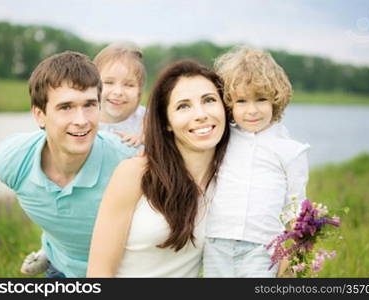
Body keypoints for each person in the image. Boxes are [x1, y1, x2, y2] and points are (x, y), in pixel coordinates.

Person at [0, 51, 137, 278]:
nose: (81, 120)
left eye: (90, 104)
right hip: (59, 269)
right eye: (66, 107)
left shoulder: (129, 161)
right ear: (40, 115)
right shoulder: (12, 161)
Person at [86, 60, 231, 277]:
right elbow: (99, 272)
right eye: (183, 106)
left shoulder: (230, 180)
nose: (200, 114)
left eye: (209, 100)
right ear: (166, 122)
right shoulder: (135, 173)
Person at [204, 47, 310, 277]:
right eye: (241, 101)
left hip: (263, 248)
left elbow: (296, 208)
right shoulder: (222, 137)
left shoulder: (291, 150)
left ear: (276, 99)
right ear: (229, 103)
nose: (252, 110)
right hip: (216, 243)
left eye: (261, 99)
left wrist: (290, 258)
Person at [94, 42, 146, 146]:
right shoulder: (84, 118)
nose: (118, 92)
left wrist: (146, 138)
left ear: (139, 91)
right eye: (109, 82)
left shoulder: (146, 119)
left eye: (129, 85)